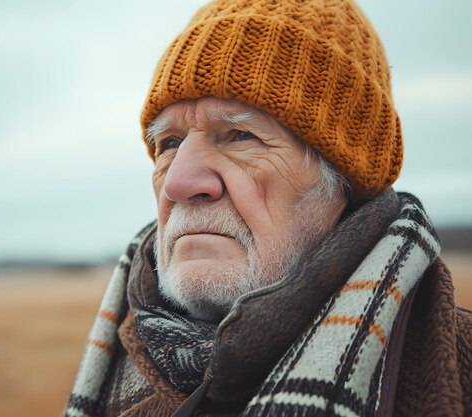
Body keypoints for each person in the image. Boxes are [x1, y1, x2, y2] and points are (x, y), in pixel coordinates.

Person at [66, 1, 472, 416]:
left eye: (240, 135)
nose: (178, 183)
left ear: (344, 181)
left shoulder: (461, 367)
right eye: (168, 143)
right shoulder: (120, 362)